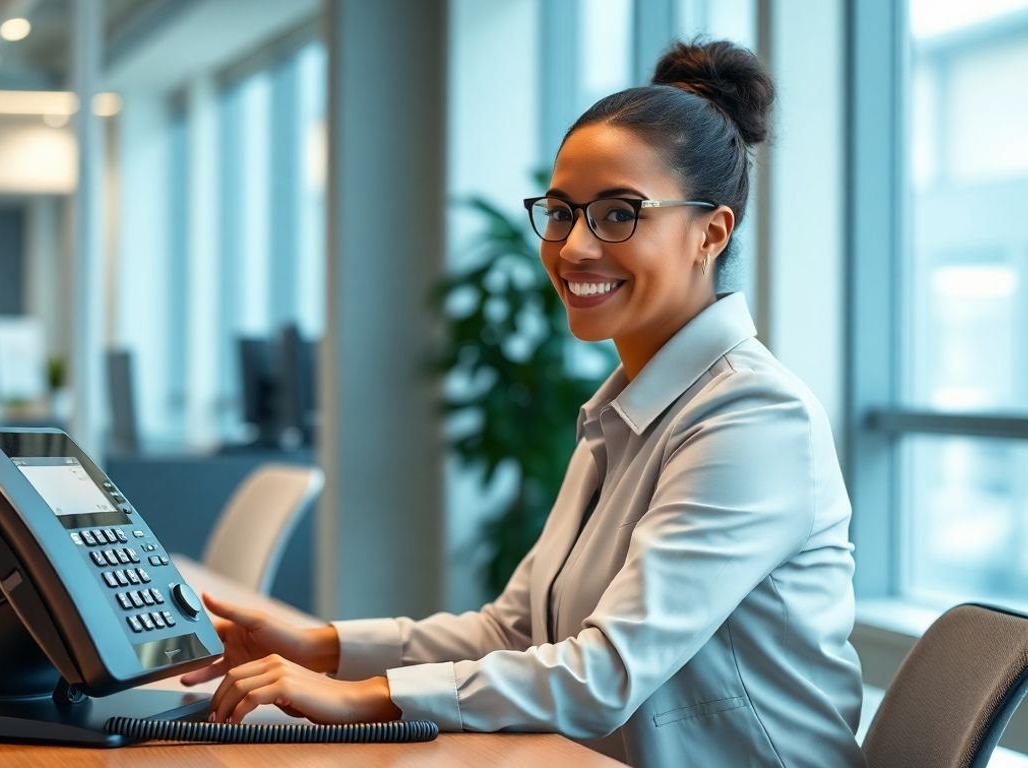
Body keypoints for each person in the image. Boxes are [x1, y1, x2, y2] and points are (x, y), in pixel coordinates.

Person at [181, 38, 864, 767]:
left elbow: (606, 674)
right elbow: (515, 630)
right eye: (563, 212)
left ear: (711, 232)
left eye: (618, 214)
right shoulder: (623, 413)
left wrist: (367, 695)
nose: (572, 248)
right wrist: (321, 647)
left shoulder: (754, 418)